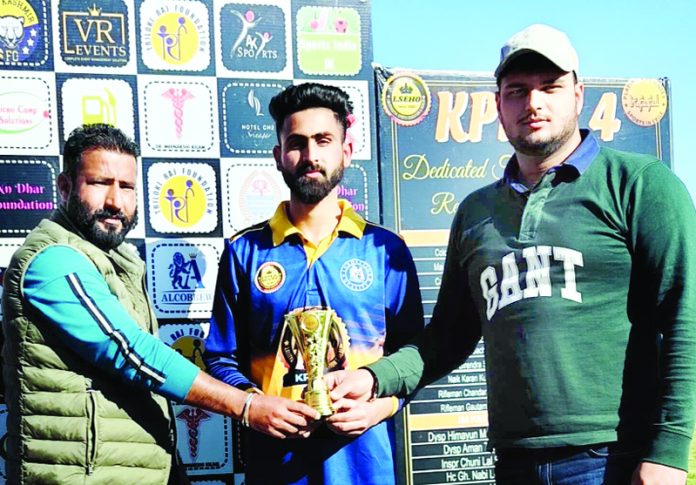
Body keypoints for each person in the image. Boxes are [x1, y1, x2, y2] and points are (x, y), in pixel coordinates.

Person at [327, 24, 696, 485]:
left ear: (578, 95)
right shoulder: (475, 213)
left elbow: (685, 319)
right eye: (517, 91)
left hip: (615, 457)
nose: (534, 103)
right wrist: (374, 378)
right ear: (498, 104)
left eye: (550, 87)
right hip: (513, 462)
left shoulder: (642, 184)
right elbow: (447, 337)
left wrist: (669, 450)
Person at [0, 124, 319, 485]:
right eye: (99, 183)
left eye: (126, 187)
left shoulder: (116, 261)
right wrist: (247, 406)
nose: (115, 202)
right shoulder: (53, 260)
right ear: (65, 187)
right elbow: (130, 353)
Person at [203, 82, 424, 484]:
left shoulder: (384, 250)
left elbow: (415, 356)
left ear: (346, 151)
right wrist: (256, 405)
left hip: (364, 468)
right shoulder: (243, 252)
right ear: (278, 156)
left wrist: (379, 408)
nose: (310, 156)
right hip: (276, 469)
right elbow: (220, 358)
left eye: (323, 140)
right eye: (297, 143)